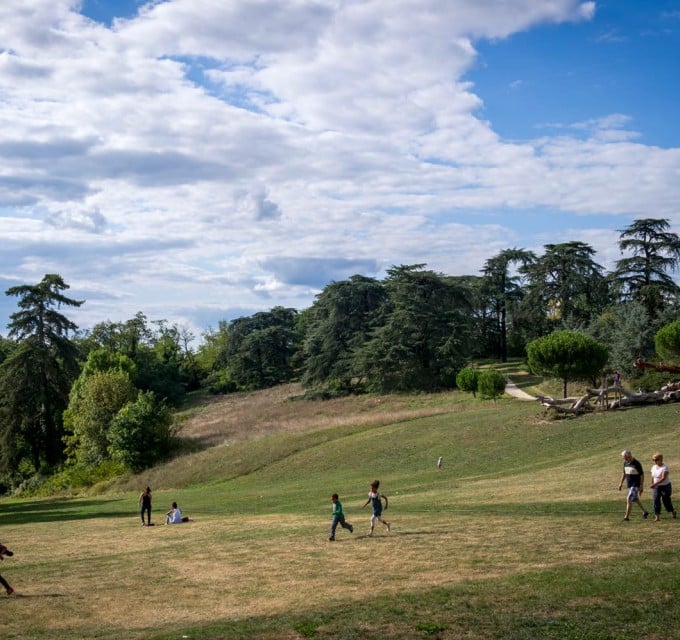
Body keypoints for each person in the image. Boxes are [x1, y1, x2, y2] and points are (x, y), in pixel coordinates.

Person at [618, 450, 649, 521]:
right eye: (623, 458)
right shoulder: (625, 463)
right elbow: (624, 473)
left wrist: (641, 486)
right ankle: (645, 512)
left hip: (636, 485)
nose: (624, 459)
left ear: (629, 456)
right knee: (635, 499)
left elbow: (641, 475)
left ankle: (626, 517)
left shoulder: (636, 463)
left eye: (625, 457)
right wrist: (621, 483)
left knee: (629, 498)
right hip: (629, 484)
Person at [650, 452, 677, 522]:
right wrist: (652, 483)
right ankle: (657, 517)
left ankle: (672, 511)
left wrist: (654, 484)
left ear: (661, 459)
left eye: (656, 459)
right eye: (653, 460)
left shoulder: (665, 467)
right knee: (656, 500)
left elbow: (663, 478)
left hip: (665, 487)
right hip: (656, 487)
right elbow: (652, 476)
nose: (654, 461)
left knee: (666, 500)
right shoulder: (653, 467)